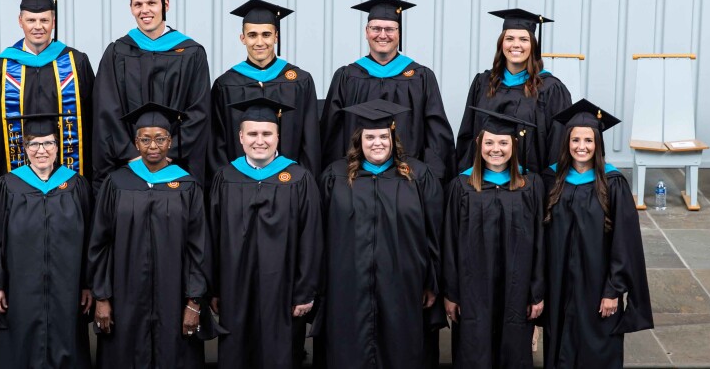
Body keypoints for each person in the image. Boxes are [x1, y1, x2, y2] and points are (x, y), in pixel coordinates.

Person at [314, 99, 444, 368]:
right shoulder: (334, 176)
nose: (377, 143)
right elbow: (320, 236)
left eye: (383, 136)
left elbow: (434, 233)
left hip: (402, 286)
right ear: (358, 139)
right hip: (347, 288)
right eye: (370, 136)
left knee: (400, 351)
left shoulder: (418, 176)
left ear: (393, 137)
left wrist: (431, 281)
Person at [88, 102, 209, 369]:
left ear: (170, 141)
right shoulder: (117, 183)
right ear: (135, 142)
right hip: (124, 298)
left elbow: (198, 247)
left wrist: (194, 302)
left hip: (174, 298)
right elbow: (100, 244)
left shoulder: (187, 185)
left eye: (160, 139)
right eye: (145, 139)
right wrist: (102, 297)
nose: (153, 146)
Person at [209, 96, 322, 369]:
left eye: (267, 133)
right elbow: (212, 237)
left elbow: (312, 238)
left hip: (283, 289)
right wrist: (213, 288)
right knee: (237, 349)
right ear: (240, 137)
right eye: (253, 134)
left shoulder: (298, 178)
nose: (260, 140)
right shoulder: (226, 178)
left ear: (278, 136)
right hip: (234, 286)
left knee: (279, 352)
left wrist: (305, 291)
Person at [541, 99, 653, 368]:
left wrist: (613, 290)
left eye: (589, 140)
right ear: (566, 142)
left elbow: (625, 244)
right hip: (558, 285)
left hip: (596, 285)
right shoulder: (550, 180)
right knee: (559, 344)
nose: (582, 146)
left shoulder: (613, 184)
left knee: (597, 347)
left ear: (598, 144)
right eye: (576, 139)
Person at [0, 112, 94, 368]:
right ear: (25, 147)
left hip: (68, 290)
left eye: (48, 143)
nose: (41, 150)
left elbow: (90, 241)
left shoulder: (76, 185)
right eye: (34, 143)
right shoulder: (8, 186)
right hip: (19, 292)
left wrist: (87, 283)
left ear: (58, 146)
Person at [440, 107, 545, 368]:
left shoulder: (530, 186)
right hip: (472, 290)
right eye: (489, 142)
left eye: (502, 142)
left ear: (514, 145)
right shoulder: (461, 186)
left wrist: (537, 292)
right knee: (474, 350)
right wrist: (451, 293)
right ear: (478, 144)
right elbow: (449, 243)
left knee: (513, 349)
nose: (495, 149)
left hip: (518, 290)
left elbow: (541, 244)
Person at [93, 0, 210, 191]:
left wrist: (166, 154)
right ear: (131, 8)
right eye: (138, 5)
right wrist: (132, 155)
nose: (144, 10)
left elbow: (198, 112)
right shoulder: (117, 52)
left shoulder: (191, 52)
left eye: (151, 3)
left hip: (176, 166)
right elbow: (107, 110)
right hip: (129, 166)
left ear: (165, 5)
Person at [320, 0, 455, 188]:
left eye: (390, 29)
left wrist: (431, 180)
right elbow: (331, 134)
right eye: (376, 28)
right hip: (355, 181)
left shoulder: (421, 77)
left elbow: (436, 135)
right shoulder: (347, 77)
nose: (382, 35)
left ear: (399, 33)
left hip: (408, 180)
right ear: (366, 32)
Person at [0, 0, 95, 185]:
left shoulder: (75, 63)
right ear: (20, 21)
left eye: (44, 20)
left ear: (53, 21)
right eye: (31, 20)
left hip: (68, 176)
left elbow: (91, 117)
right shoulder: (1, 68)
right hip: (17, 173)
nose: (38, 26)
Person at [209, 0, 320, 177]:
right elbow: (216, 143)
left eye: (266, 34)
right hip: (238, 184)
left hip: (290, 183)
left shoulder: (300, 81)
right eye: (252, 35)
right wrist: (226, 182)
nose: (259, 42)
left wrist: (303, 182)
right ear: (242, 38)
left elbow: (310, 141)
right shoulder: (226, 84)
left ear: (276, 36)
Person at [455, 8, 572, 175]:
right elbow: (467, 135)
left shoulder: (550, 89)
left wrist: (546, 187)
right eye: (509, 38)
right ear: (501, 43)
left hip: (528, 184)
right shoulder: (483, 83)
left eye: (524, 39)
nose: (516, 45)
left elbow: (558, 144)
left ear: (533, 46)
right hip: (482, 184)